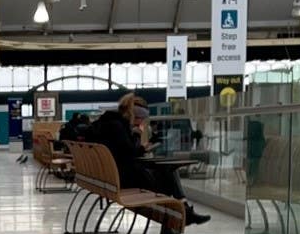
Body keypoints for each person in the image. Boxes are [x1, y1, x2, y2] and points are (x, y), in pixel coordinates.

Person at [88, 94, 211, 226]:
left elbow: (124, 151)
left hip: (109, 179)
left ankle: (184, 212)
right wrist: (137, 134)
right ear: (133, 115)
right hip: (122, 180)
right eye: (140, 118)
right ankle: (184, 212)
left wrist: (138, 144)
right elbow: (131, 152)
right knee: (168, 173)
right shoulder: (117, 126)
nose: (141, 122)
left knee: (167, 172)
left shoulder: (106, 124)